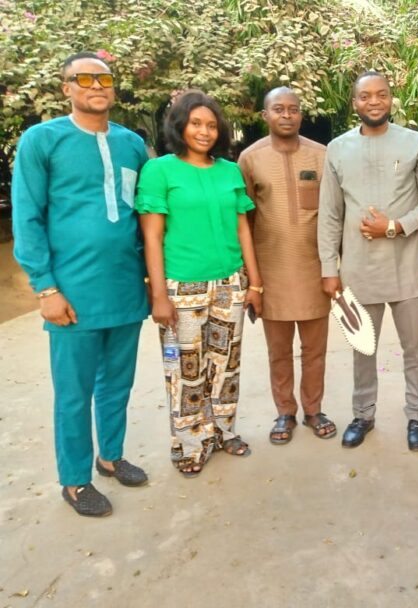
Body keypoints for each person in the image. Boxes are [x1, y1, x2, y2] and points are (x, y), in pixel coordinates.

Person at [12, 51, 149, 517]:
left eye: (104, 79)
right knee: (74, 393)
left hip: (126, 288)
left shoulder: (132, 143)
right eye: (84, 78)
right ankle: (74, 480)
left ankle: (110, 457)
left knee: (118, 383)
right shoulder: (42, 140)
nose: (96, 86)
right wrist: (46, 288)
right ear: (66, 87)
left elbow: (143, 215)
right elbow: (27, 217)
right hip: (71, 293)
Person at [136, 90, 263, 477]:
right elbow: (152, 237)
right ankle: (190, 443)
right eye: (195, 124)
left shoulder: (229, 171)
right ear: (180, 126)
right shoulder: (159, 171)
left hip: (229, 284)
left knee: (226, 365)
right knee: (185, 371)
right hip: (181, 287)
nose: (204, 131)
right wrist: (159, 294)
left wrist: (255, 283)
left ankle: (223, 431)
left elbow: (243, 229)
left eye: (211, 125)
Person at [318, 70, 418, 450]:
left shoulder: (416, 143)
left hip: (406, 269)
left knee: (414, 350)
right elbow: (330, 214)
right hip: (357, 271)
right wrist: (329, 269)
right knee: (362, 347)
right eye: (365, 96)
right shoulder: (337, 148)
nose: (374, 101)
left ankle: (417, 416)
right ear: (354, 102)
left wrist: (395, 226)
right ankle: (363, 415)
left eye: (381, 94)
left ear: (392, 98)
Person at [238, 87, 336, 445]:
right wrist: (251, 278)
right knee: (278, 351)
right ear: (265, 115)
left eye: (293, 109)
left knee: (315, 350)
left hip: (314, 268)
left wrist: (334, 267)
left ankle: (314, 410)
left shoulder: (322, 155)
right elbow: (245, 219)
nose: (286, 115)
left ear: (301, 115)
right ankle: (285, 412)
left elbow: (334, 214)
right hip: (271, 271)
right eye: (278, 109)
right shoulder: (250, 158)